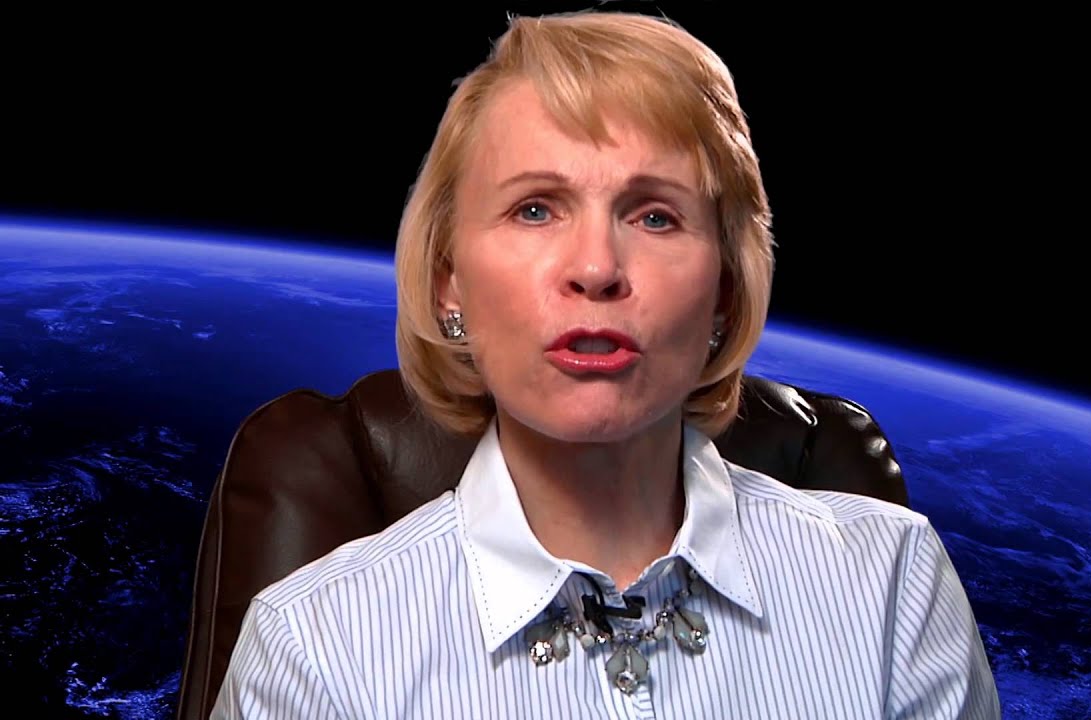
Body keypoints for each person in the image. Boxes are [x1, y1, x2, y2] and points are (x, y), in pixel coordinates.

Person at [211, 9, 1000, 719]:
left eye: (655, 216)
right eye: (535, 209)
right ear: (449, 279)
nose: (595, 268)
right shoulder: (313, 646)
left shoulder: (891, 584)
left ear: (725, 289)